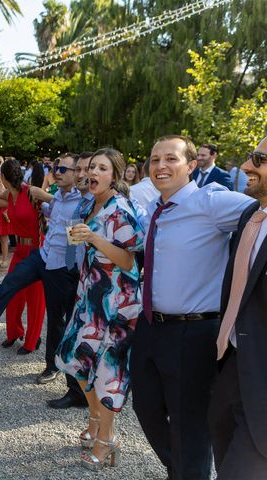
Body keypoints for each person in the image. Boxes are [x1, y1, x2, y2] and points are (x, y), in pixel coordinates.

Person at [130, 135, 253, 480]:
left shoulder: (209, 202)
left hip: (193, 331)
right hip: (151, 326)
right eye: (154, 160)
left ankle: (190, 471)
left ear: (191, 165)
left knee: (190, 425)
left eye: (171, 158)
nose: (160, 166)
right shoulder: (156, 208)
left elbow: (258, 210)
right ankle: (185, 469)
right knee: (146, 409)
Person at [0, 154, 83, 386]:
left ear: (77, 173)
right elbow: (47, 211)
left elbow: (74, 238)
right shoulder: (58, 199)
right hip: (41, 256)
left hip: (59, 264)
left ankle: (52, 366)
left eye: (64, 169)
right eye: (57, 168)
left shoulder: (78, 201)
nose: (58, 172)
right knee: (9, 284)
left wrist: (73, 270)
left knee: (54, 318)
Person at [55, 148, 144, 470]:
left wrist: (94, 238)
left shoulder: (121, 209)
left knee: (108, 374)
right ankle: (95, 419)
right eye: (91, 167)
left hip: (117, 304)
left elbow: (129, 261)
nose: (91, 172)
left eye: (101, 168)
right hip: (90, 295)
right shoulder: (90, 204)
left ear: (115, 176)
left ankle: (107, 439)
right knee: (73, 357)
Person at [208, 139, 267, 479]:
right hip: (232, 363)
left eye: (258, 159)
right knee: (221, 444)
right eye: (249, 158)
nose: (246, 166)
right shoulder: (250, 214)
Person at [47, 150, 94, 410]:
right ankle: (75, 389)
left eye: (87, 169)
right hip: (74, 271)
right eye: (79, 170)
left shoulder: (100, 202)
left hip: (93, 277)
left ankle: (84, 392)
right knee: (69, 328)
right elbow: (72, 238)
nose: (82, 175)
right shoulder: (82, 202)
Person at [0, 159, 45, 354]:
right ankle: (14, 332)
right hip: (20, 252)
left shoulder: (31, 191)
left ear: (5, 177)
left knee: (35, 299)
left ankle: (32, 341)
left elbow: (56, 201)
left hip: (36, 250)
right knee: (12, 293)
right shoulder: (9, 194)